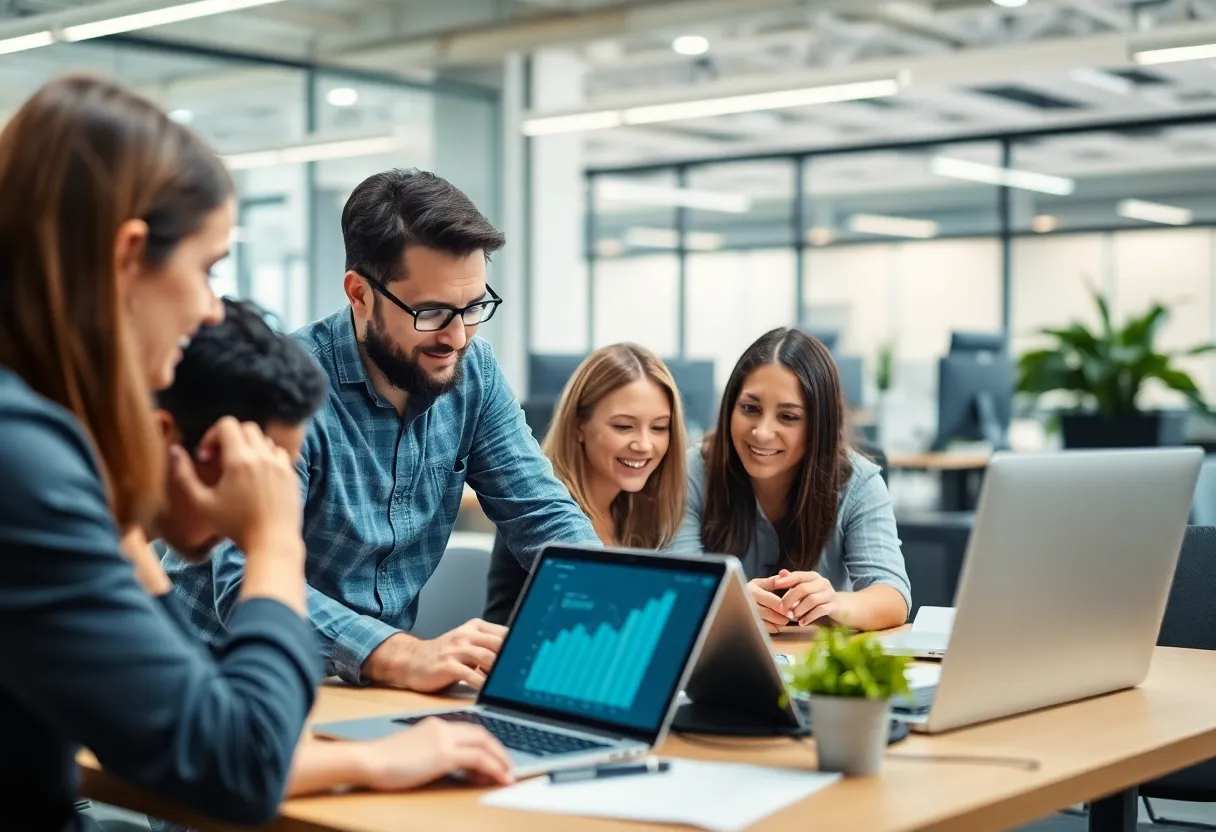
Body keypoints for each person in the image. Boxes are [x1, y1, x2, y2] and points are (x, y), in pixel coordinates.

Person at [0, 75, 315, 830]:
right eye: (207, 269)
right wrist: (275, 543)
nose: (211, 308)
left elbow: (183, 700)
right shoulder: (21, 456)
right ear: (129, 255)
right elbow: (237, 763)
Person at [165, 168, 598, 689]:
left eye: (475, 307)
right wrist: (398, 655)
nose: (458, 337)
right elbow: (240, 581)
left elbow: (542, 512)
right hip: (218, 675)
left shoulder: (473, 374)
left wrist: (617, 610)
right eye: (432, 312)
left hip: (366, 689)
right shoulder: (281, 391)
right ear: (360, 294)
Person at [131, 299, 510, 830]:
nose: (272, 496)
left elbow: (220, 740)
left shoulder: (123, 549)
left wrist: (383, 756)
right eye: (265, 473)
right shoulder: (71, 549)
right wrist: (270, 539)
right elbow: (241, 760)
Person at [671, 328, 910, 633]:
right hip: (721, 660)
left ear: (819, 426)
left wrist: (835, 603)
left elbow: (893, 596)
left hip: (815, 666)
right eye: (749, 409)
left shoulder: (859, 482)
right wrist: (729, 604)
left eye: (789, 417)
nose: (762, 432)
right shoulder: (693, 470)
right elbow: (680, 589)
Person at [483, 343, 688, 624]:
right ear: (580, 426)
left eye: (659, 428)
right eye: (623, 426)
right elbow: (505, 628)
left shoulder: (641, 511)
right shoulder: (537, 512)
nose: (644, 444)